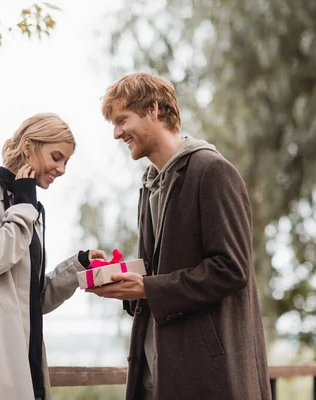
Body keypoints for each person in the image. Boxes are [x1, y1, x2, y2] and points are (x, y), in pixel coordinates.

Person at [87, 73, 271, 399]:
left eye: (122, 120)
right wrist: (119, 279)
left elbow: (231, 269)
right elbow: (158, 274)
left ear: (153, 109)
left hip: (208, 379)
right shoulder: (150, 184)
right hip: (155, 375)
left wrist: (148, 287)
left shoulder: (212, 172)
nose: (116, 133)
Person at [0, 113, 106, 400]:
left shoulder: (26, 205)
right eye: (56, 157)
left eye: (66, 162)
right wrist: (25, 207)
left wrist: (78, 265)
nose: (62, 169)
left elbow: (32, 299)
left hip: (26, 364)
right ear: (29, 147)